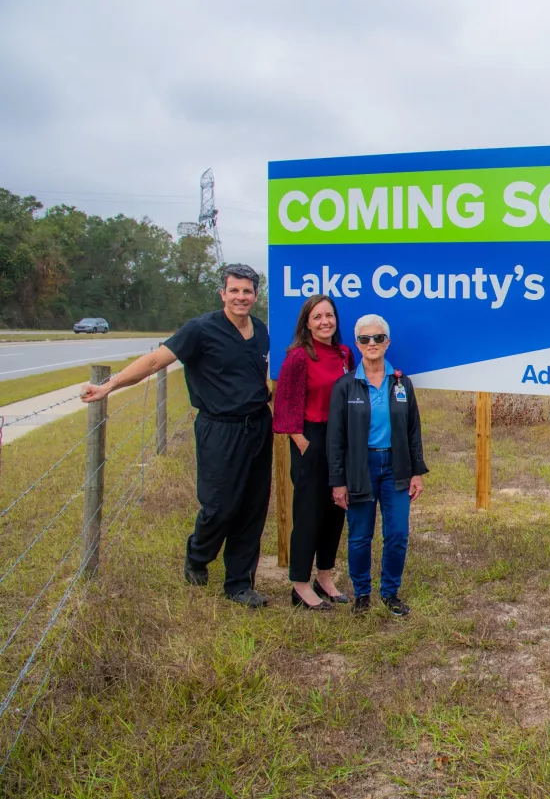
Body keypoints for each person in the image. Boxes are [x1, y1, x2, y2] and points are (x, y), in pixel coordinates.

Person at [81, 264, 273, 608]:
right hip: (219, 429)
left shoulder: (259, 331)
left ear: (256, 296)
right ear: (222, 294)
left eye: (247, 291)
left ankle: (239, 584)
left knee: (252, 507)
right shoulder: (200, 330)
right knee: (219, 505)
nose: (241, 297)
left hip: (258, 426)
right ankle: (198, 555)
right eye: (234, 290)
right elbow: (155, 361)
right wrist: (109, 385)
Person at [327, 314, 427, 617]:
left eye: (378, 338)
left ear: (387, 342)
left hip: (396, 466)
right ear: (357, 344)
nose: (372, 344)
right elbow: (336, 438)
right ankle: (362, 594)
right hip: (360, 467)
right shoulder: (346, 386)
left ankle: (390, 593)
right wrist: (338, 481)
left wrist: (417, 472)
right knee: (360, 536)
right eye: (365, 339)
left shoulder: (401, 383)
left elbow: (413, 430)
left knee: (397, 534)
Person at [273, 294, 355, 610]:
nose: (325, 322)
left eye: (329, 315)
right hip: (311, 439)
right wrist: (302, 441)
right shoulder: (298, 357)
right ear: (307, 323)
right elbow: (284, 403)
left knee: (336, 509)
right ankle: (300, 584)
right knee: (308, 513)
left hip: (341, 439)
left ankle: (325, 576)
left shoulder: (346, 354)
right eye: (317, 316)